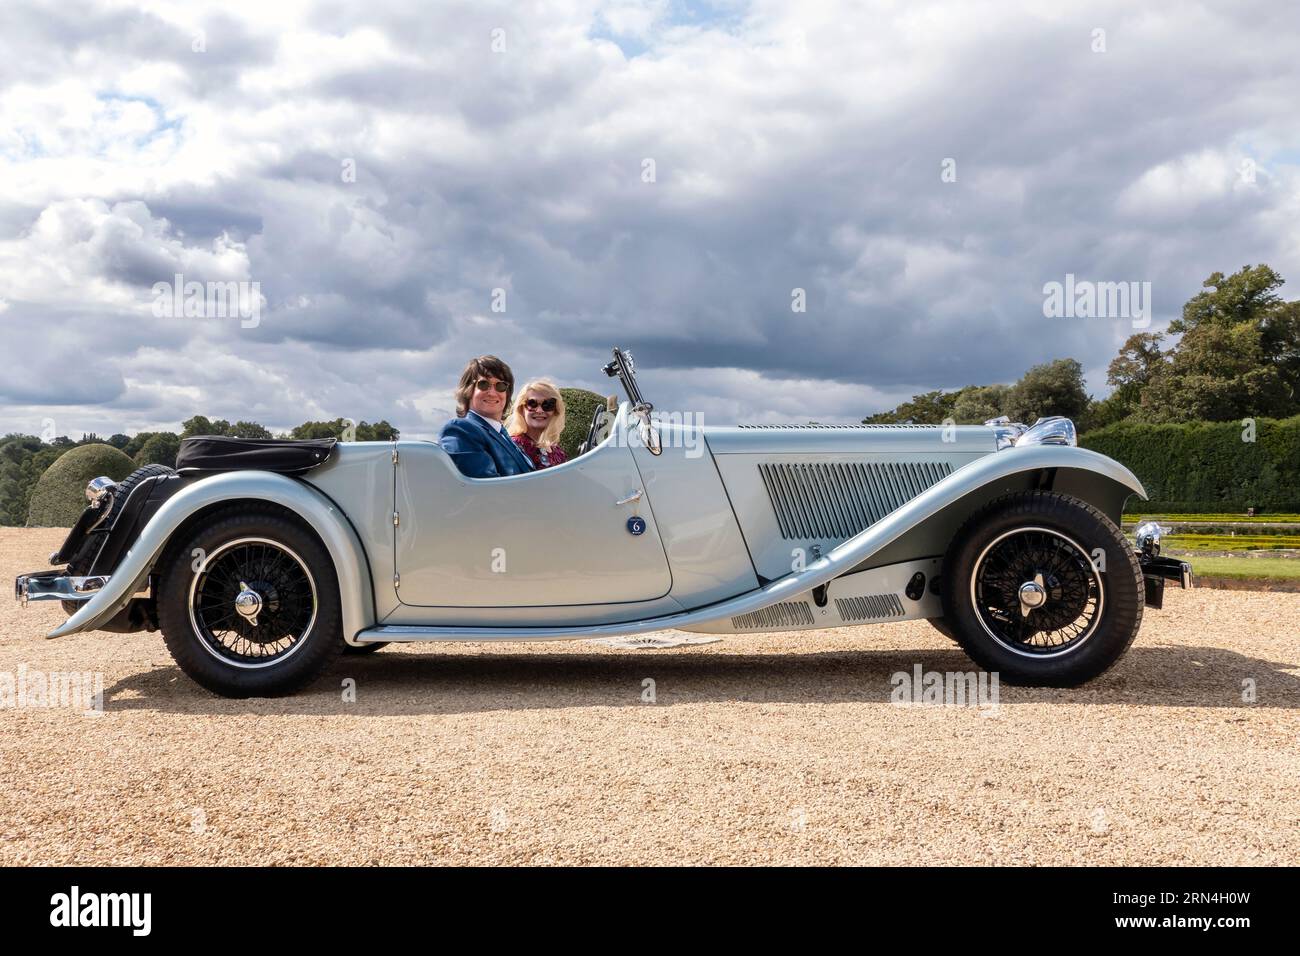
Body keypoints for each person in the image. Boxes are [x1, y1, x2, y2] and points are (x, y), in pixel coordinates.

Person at [438, 356, 535, 478]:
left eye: (500, 386)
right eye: (483, 384)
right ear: (468, 390)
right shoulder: (461, 430)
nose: (492, 393)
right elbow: (484, 491)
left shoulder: (503, 435)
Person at [507, 380, 568, 469]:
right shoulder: (513, 447)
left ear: (555, 411)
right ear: (521, 409)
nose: (539, 411)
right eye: (532, 404)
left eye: (548, 405)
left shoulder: (556, 450)